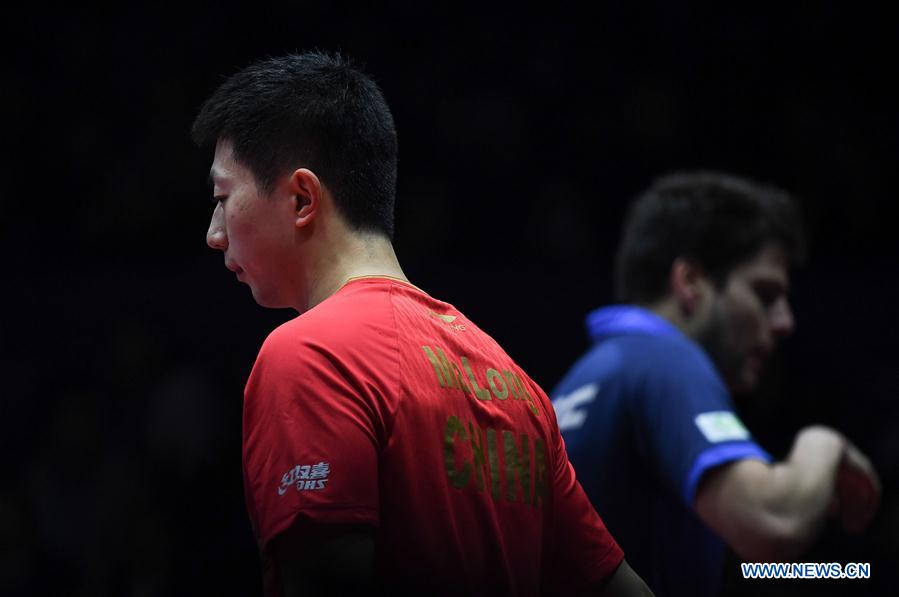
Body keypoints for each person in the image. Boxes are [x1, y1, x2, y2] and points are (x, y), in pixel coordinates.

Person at [192, 52, 652, 597]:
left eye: (223, 198)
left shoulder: (310, 355)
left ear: (301, 198)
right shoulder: (514, 384)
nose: (214, 234)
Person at [551, 172, 880, 596]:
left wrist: (849, 572)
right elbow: (772, 524)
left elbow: (750, 572)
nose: (784, 322)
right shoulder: (663, 360)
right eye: (764, 294)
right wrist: (824, 444)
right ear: (690, 282)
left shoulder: (583, 381)